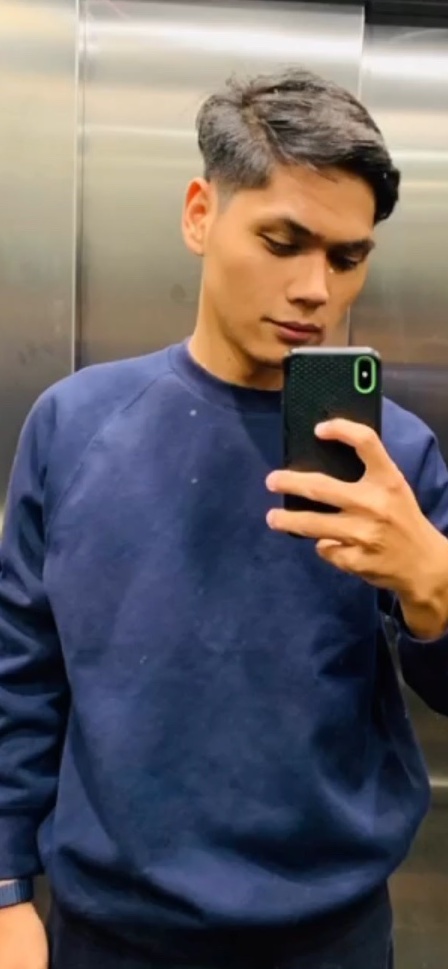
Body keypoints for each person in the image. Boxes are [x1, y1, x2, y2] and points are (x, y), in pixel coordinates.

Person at [1, 68, 448, 969]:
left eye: (347, 257)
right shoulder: (76, 424)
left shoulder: (392, 454)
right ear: (201, 214)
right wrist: (6, 888)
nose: (315, 288)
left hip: (332, 938)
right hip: (110, 934)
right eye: (282, 241)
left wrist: (433, 589)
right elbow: (22, 675)